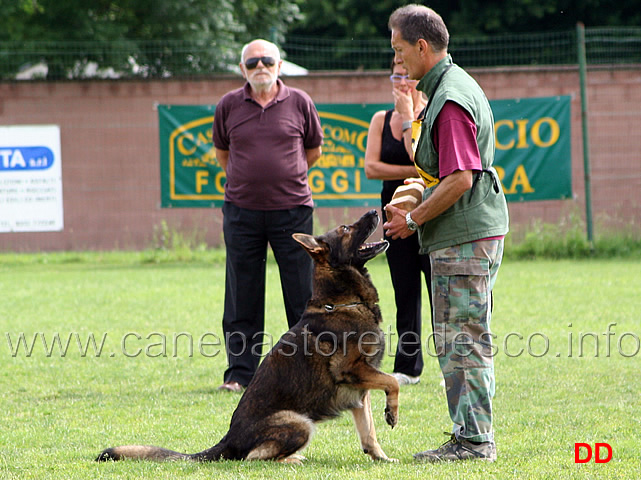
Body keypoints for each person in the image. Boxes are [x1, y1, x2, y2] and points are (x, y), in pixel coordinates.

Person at [385, 5, 509, 463]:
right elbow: (445, 171)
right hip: (469, 231)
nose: (398, 62)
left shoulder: (450, 99)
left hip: (464, 237)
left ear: (422, 46)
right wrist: (416, 189)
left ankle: (474, 442)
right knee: (465, 335)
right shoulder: (447, 89)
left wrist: (412, 220)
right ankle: (472, 435)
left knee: (463, 339)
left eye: (400, 51)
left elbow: (459, 178)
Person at [212, 39, 323, 393]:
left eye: (267, 60)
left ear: (279, 65)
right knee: (242, 291)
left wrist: (284, 177)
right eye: (253, 61)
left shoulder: (300, 102)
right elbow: (222, 153)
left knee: (302, 291)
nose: (261, 66)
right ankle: (240, 373)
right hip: (242, 212)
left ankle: (307, 370)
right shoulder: (228, 105)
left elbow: (313, 150)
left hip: (292, 211)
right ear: (242, 69)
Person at [364, 61, 431, 386]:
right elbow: (371, 168)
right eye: (395, 74)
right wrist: (412, 172)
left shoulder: (430, 114)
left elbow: (419, 157)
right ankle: (407, 366)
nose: (401, 80)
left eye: (407, 74)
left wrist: (409, 116)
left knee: (440, 292)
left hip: (430, 213)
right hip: (394, 218)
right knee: (405, 291)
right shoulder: (380, 119)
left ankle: (454, 362)